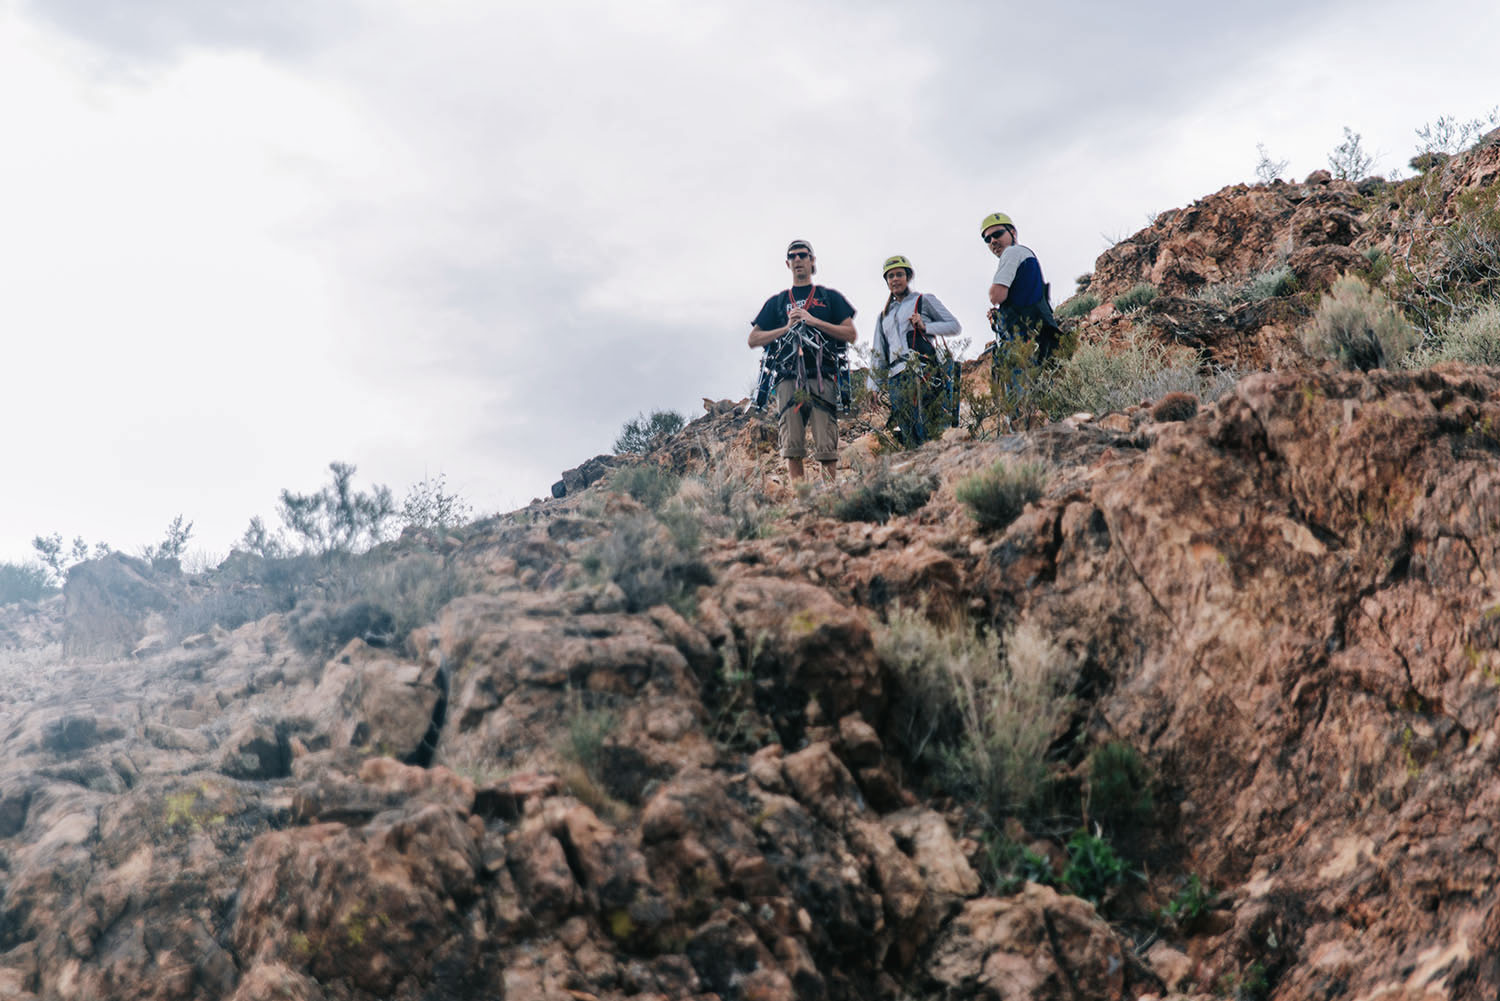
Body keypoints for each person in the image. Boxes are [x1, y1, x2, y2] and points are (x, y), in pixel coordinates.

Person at [749, 240, 857, 482]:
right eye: (793, 256)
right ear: (787, 263)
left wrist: (813, 321)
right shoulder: (777, 302)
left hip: (822, 374)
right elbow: (754, 339)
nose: (798, 260)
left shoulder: (829, 298)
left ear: (812, 260)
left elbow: (850, 334)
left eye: (803, 255)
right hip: (788, 377)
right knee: (792, 446)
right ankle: (801, 497)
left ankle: (828, 494)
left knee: (826, 445)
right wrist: (786, 327)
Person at [871, 255, 961, 447]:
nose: (895, 279)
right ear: (886, 281)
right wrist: (874, 386)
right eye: (891, 276)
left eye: (899, 274)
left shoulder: (923, 300)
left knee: (929, 428)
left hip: (922, 371)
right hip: (896, 378)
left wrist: (926, 327)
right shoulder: (883, 316)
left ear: (908, 277)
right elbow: (879, 353)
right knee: (907, 430)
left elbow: (954, 326)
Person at [982, 212, 1061, 367]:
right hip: (1043, 342)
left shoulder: (1012, 252)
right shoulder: (1027, 257)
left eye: (997, 234)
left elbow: (996, 295)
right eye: (987, 239)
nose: (993, 241)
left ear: (1013, 232)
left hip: (1026, 347)